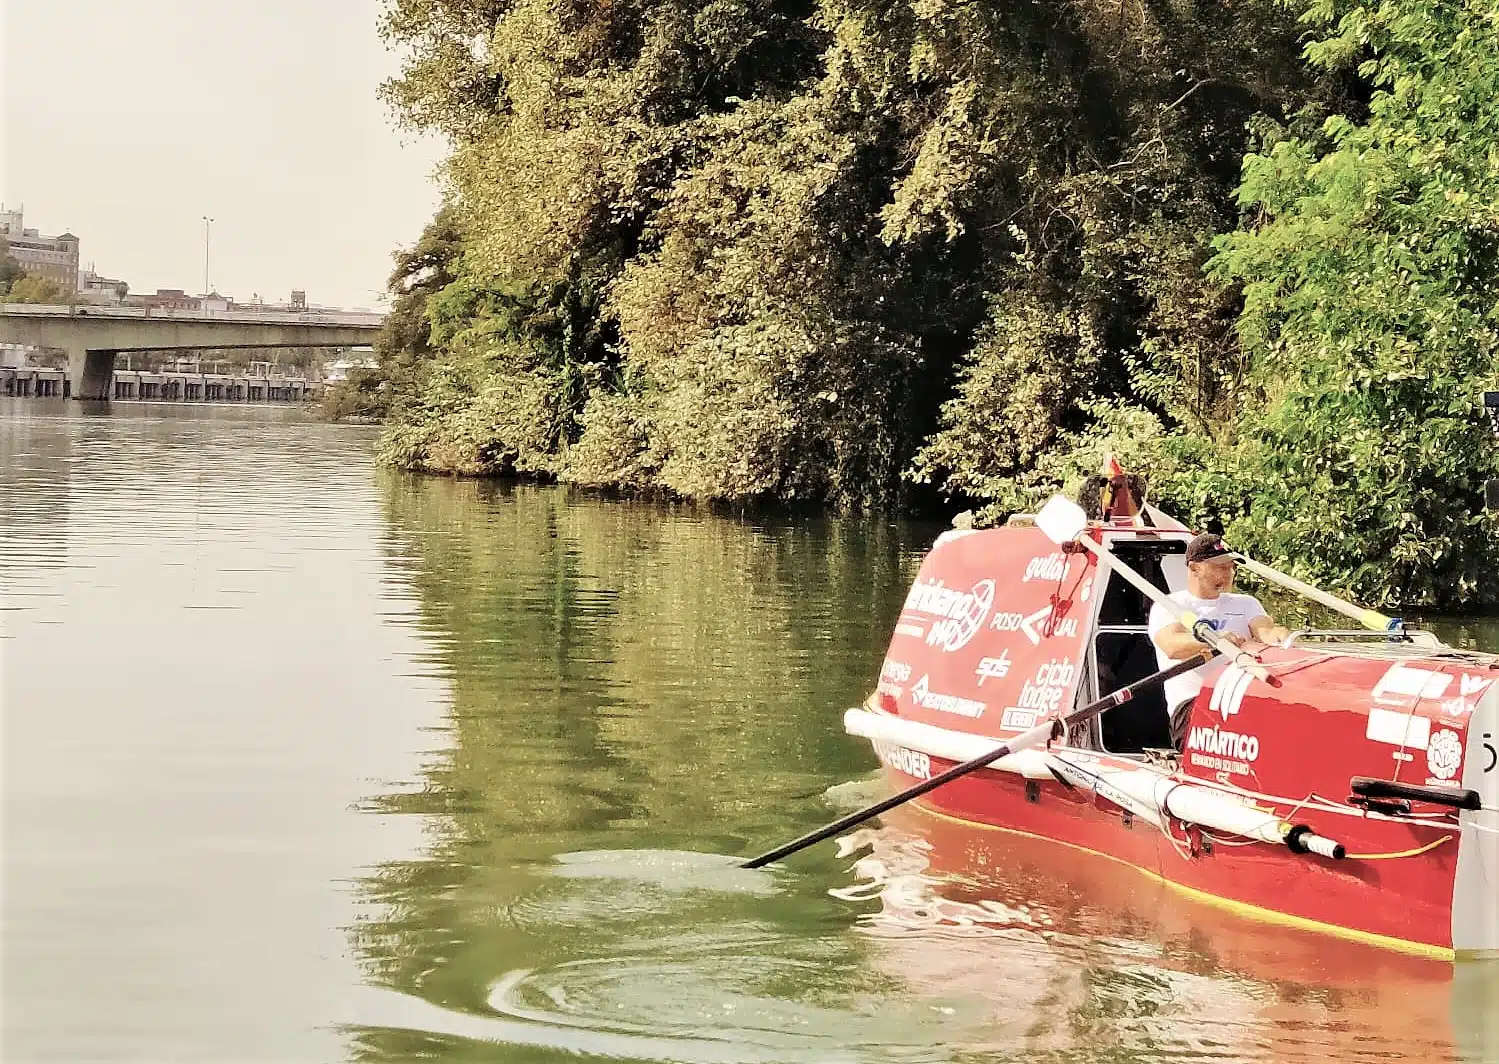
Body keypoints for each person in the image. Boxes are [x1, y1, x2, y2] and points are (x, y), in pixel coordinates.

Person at [1148, 533, 1291, 748]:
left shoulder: (1246, 603)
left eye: (1231, 567)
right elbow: (1171, 646)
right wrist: (1214, 641)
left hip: (1244, 700)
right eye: (1220, 567)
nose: (1229, 573)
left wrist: (1279, 635)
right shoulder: (1171, 605)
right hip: (1194, 705)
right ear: (1195, 568)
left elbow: (1265, 631)